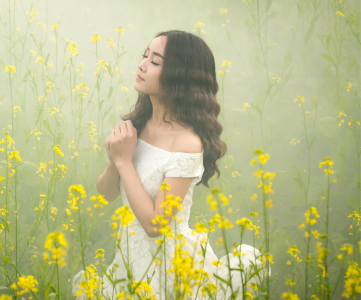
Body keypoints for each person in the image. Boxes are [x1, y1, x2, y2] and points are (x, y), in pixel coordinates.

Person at [72, 30, 270, 300]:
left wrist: (123, 160)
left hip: (170, 268)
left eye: (155, 62)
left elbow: (155, 225)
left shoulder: (187, 143)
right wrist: (114, 161)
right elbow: (106, 193)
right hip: (129, 260)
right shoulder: (138, 125)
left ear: (180, 76)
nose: (141, 64)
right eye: (145, 56)